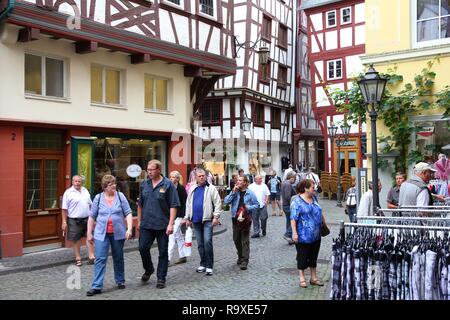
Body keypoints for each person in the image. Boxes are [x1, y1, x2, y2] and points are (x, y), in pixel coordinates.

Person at [86, 175, 133, 296]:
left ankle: (120, 280)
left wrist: (129, 229)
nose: (114, 186)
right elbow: (92, 216)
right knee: (100, 258)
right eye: (111, 184)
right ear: (105, 187)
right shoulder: (98, 198)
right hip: (102, 233)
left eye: (114, 183)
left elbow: (128, 213)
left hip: (118, 233)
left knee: (118, 257)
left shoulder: (121, 196)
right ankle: (96, 286)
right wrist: (89, 233)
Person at [138, 160, 180, 289]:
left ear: (159, 170)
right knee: (142, 248)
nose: (149, 172)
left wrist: (171, 224)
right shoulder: (144, 184)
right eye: (148, 169)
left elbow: (174, 205)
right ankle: (149, 268)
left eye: (152, 169)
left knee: (163, 252)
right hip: (146, 223)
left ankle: (161, 278)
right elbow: (140, 204)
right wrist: (139, 221)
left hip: (162, 224)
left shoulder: (168, 185)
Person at [184, 169, 222, 275]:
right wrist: (187, 218)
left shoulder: (211, 188)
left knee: (207, 242)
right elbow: (188, 204)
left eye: (203, 176)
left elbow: (218, 203)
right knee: (200, 244)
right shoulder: (192, 188)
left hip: (207, 220)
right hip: (196, 220)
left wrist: (216, 216)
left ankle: (209, 266)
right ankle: (203, 263)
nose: (202, 177)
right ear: (195, 177)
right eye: (199, 176)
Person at [290, 179, 325, 288]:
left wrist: (324, 223)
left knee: (313, 256)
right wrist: (294, 233)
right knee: (302, 257)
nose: (314, 188)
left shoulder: (314, 198)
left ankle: (313, 278)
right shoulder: (297, 202)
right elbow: (293, 219)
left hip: (316, 235)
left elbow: (319, 211)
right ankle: (302, 278)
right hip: (303, 236)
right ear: (305, 189)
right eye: (312, 187)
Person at [224, 175, 259, 270]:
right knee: (236, 239)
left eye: (240, 180)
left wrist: (249, 207)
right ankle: (240, 255)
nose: (238, 182)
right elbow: (226, 202)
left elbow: (257, 205)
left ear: (245, 182)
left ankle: (244, 261)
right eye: (237, 180)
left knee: (245, 241)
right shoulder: (235, 192)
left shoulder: (250, 193)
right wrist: (232, 192)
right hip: (235, 219)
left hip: (246, 219)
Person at [61, 175, 95, 266]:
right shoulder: (68, 193)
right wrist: (64, 222)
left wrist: (93, 217)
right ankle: (78, 258)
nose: (77, 183)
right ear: (72, 182)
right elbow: (64, 209)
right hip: (74, 219)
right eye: (75, 181)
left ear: (81, 182)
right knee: (76, 240)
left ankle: (91, 256)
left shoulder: (85, 191)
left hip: (87, 218)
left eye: (79, 181)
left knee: (89, 237)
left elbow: (90, 204)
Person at [168, 171, 188, 266]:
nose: (172, 179)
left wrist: (185, 216)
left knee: (172, 234)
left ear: (177, 179)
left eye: (174, 177)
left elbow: (185, 203)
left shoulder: (181, 189)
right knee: (178, 235)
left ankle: (167, 258)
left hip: (179, 215)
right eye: (171, 177)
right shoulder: (168, 188)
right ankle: (183, 255)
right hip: (172, 215)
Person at [280, 171, 297, 244]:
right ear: (292, 178)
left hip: (285, 205)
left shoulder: (284, 183)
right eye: (295, 178)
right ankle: (287, 234)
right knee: (293, 221)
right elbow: (287, 196)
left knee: (289, 220)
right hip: (288, 206)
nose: (295, 180)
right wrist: (293, 203)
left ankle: (289, 237)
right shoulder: (288, 184)